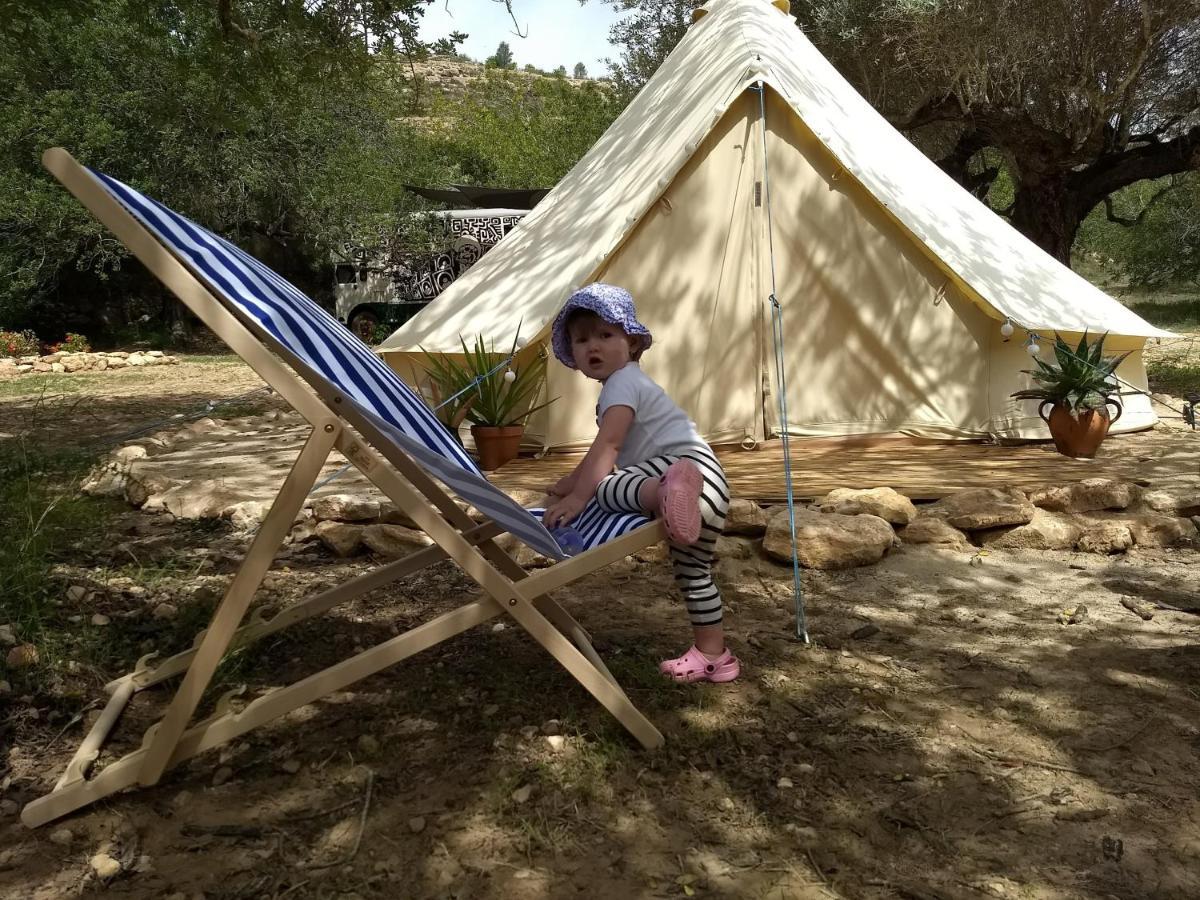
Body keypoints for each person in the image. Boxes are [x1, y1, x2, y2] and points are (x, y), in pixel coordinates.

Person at [542, 283, 739, 683]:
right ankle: (713, 656)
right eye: (581, 340)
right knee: (694, 574)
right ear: (574, 355)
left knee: (605, 485)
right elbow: (601, 448)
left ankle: (663, 492)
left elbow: (609, 444)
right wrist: (570, 481)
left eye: (605, 335)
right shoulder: (629, 382)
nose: (591, 346)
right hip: (711, 487)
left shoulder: (622, 383)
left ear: (632, 343)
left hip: (683, 471)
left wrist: (581, 493)